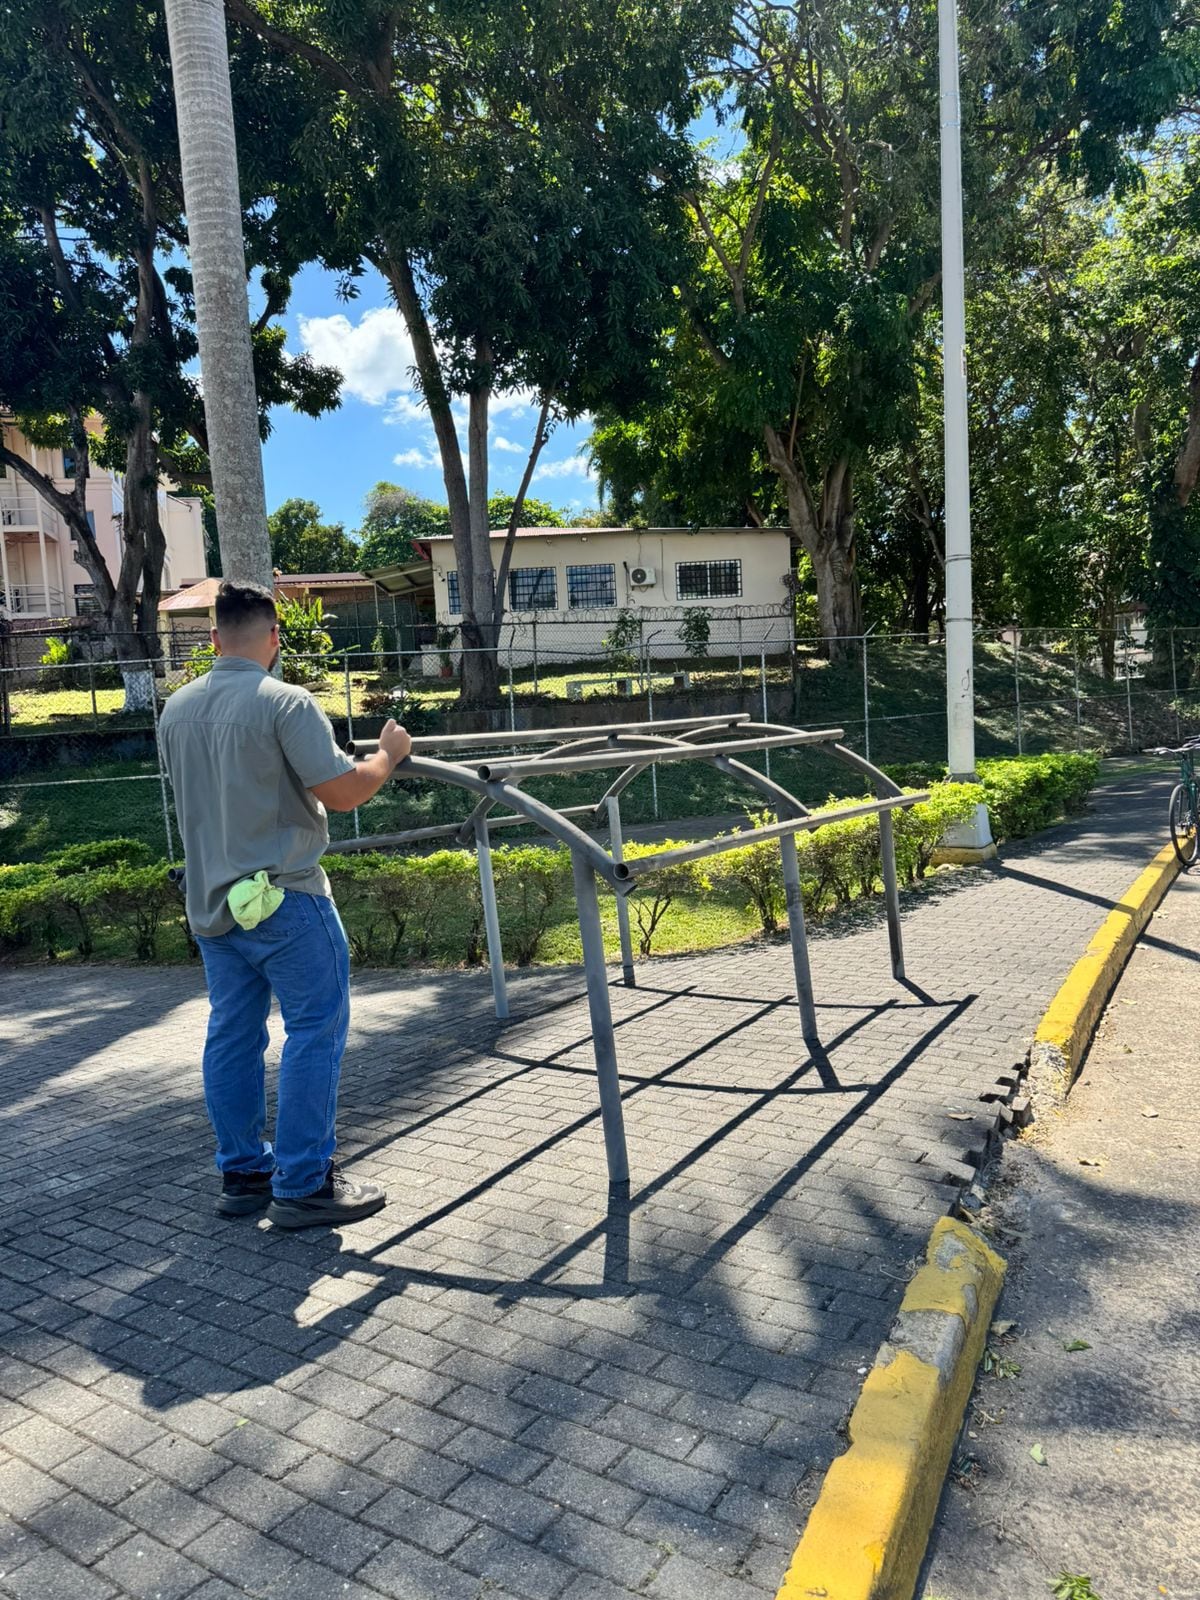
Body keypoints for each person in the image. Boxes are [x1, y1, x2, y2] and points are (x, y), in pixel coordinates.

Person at [159, 579, 411, 1228]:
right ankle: (303, 1183)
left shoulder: (177, 709)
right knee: (314, 1031)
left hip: (213, 907)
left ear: (214, 639)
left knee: (233, 1036)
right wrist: (386, 757)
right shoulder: (286, 702)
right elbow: (344, 792)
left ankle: (244, 1174)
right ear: (274, 637)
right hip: (284, 900)